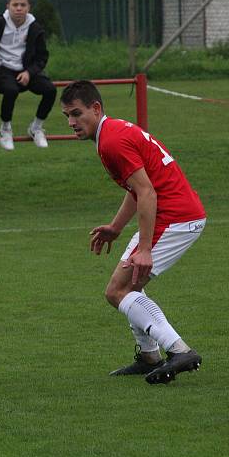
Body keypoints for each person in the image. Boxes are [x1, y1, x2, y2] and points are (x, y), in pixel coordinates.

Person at [61, 80, 206, 385]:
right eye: (67, 117)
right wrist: (115, 228)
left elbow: (147, 193)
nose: (72, 122)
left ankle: (179, 350)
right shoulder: (111, 133)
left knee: (118, 291)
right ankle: (149, 356)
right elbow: (136, 188)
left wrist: (145, 249)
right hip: (175, 214)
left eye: (76, 113)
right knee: (127, 288)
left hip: (175, 217)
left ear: (96, 108)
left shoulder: (111, 140)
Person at [0, 0, 56, 150]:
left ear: (29, 8)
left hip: (25, 70)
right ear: (8, 6)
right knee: (11, 90)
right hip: (1, 68)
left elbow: (42, 57)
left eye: (22, 5)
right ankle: (5, 129)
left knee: (50, 90)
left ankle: (36, 127)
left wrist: (29, 72)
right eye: (15, 5)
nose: (19, 8)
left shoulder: (35, 28)